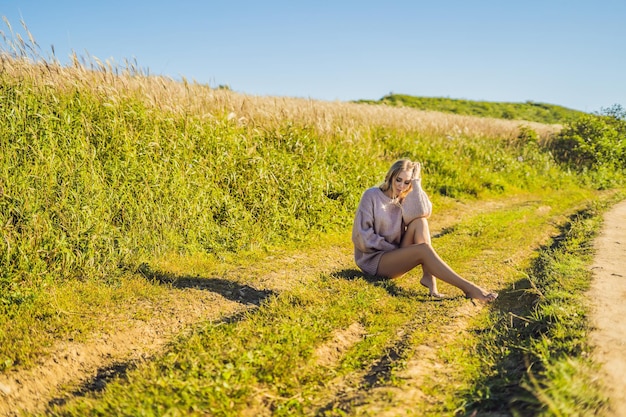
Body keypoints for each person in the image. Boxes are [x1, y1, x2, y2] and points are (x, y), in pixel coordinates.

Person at [351, 158, 498, 303]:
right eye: (398, 180)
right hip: (375, 260)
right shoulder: (371, 196)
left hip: (395, 255)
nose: (401, 185)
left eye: (406, 182)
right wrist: (392, 250)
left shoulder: (403, 198)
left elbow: (424, 211)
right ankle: (469, 288)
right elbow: (362, 237)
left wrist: (416, 182)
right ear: (390, 177)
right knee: (423, 250)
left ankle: (428, 276)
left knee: (420, 222)